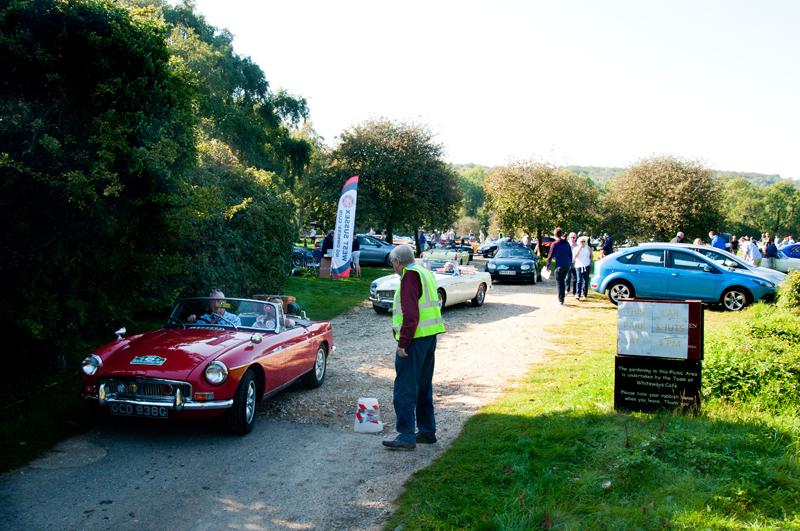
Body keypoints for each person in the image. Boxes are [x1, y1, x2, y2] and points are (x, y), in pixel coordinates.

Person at [383, 245, 445, 451]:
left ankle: (406, 435)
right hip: (429, 336)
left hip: (414, 340)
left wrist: (403, 343)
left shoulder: (409, 276)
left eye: (392, 262)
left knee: (405, 388)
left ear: (398, 262)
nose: (393, 266)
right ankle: (427, 431)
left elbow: (411, 314)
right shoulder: (424, 272)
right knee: (424, 386)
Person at [546, 227, 573, 305]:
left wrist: (547, 266)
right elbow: (570, 254)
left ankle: (561, 299)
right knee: (562, 281)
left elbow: (550, 256)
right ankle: (562, 298)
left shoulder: (554, 244)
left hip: (559, 265)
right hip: (567, 264)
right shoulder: (566, 243)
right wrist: (570, 263)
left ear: (554, 234)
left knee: (559, 282)